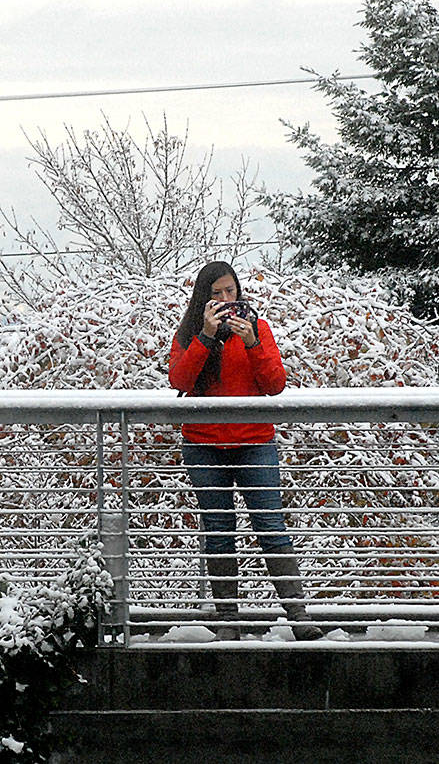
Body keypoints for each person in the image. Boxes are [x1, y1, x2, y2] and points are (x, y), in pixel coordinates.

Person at [168, 260, 323, 642]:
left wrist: (252, 342)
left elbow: (274, 385)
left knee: (271, 525)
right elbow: (180, 380)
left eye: (230, 292)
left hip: (254, 442)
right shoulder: (189, 333)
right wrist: (205, 337)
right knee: (219, 531)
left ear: (239, 293)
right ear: (203, 298)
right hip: (204, 445)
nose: (225, 300)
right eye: (216, 293)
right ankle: (227, 620)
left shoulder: (258, 329)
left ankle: (298, 614)